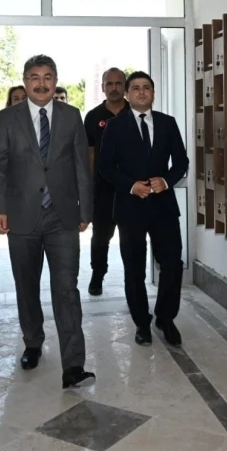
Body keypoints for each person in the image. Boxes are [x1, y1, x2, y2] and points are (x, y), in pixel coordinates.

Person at [0, 54, 95, 389]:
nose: (41, 83)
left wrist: (85, 210)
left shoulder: (71, 116)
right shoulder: (7, 118)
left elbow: (81, 165)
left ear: (55, 80)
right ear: (25, 81)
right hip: (21, 215)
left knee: (67, 289)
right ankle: (32, 342)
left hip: (62, 216)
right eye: (34, 77)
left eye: (48, 77)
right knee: (27, 285)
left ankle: (73, 364)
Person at [99, 71, 189, 347]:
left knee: (172, 264)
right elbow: (105, 167)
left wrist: (166, 181)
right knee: (134, 267)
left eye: (146, 87)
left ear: (153, 93)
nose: (141, 92)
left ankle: (166, 318)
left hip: (163, 207)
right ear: (127, 94)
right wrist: (130, 186)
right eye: (136, 88)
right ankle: (142, 323)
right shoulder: (114, 126)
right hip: (130, 208)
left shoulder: (167, 123)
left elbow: (181, 162)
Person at [83, 68, 130, 296]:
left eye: (118, 83)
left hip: (132, 188)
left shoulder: (135, 112)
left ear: (125, 86)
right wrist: (90, 185)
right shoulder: (93, 116)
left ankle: (133, 280)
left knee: (131, 238)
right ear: (103, 87)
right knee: (101, 237)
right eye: (109, 84)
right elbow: (90, 152)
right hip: (103, 188)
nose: (113, 88)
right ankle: (97, 275)